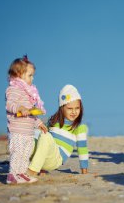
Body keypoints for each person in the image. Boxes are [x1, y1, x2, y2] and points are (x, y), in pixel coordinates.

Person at [27, 84, 89, 177]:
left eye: (77, 108)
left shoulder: (79, 126)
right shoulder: (53, 121)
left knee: (45, 135)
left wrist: (84, 171)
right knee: (30, 136)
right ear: (62, 108)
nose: (74, 112)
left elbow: (82, 149)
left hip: (56, 159)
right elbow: (43, 143)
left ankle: (32, 171)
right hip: (43, 159)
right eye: (70, 108)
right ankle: (19, 167)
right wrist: (42, 169)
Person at [5, 55, 48, 184]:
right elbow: (9, 104)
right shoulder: (13, 89)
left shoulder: (28, 93)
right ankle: (12, 175)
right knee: (17, 152)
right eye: (30, 75)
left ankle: (21, 173)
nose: (32, 78)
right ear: (19, 74)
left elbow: (31, 113)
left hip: (28, 131)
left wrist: (39, 122)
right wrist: (19, 107)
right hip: (17, 130)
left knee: (26, 152)